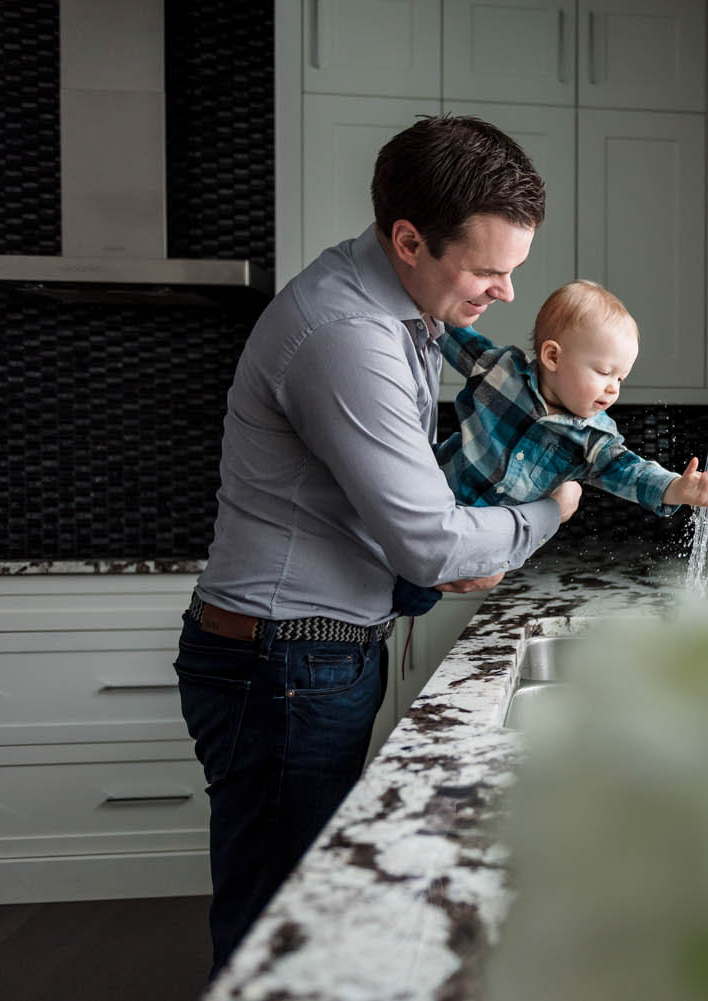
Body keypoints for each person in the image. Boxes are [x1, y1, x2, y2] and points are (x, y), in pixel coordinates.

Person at [173, 115, 581, 977]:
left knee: (287, 909)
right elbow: (433, 544)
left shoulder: (395, 304)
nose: (505, 292)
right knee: (279, 931)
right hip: (286, 665)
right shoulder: (348, 337)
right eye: (487, 270)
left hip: (301, 656)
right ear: (407, 239)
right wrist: (553, 507)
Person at [390, 279, 708, 614]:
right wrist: (416, 294)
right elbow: (449, 331)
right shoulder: (499, 371)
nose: (614, 388)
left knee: (409, 599)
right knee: (377, 562)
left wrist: (677, 487)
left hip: (481, 546)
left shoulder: (593, 440)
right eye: (604, 371)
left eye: (621, 378)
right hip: (422, 501)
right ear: (553, 357)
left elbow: (631, 472)